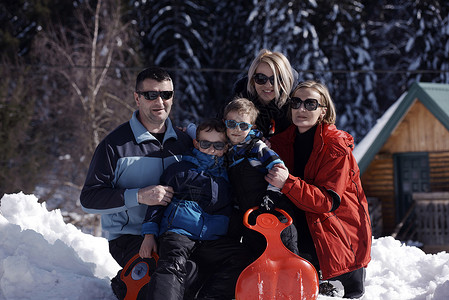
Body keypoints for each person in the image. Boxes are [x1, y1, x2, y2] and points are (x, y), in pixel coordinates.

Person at [79, 67, 192, 290]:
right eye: (151, 95)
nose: (160, 101)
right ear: (137, 98)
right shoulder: (114, 145)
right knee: (160, 285)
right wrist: (139, 196)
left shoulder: (185, 142)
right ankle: (125, 287)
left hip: (175, 234)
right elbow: (89, 199)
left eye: (166, 94)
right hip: (130, 237)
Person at [266, 80, 372, 298]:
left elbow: (325, 202)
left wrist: (287, 182)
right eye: (296, 103)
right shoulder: (281, 143)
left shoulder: (334, 147)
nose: (301, 109)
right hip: (303, 223)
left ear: (323, 111)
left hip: (338, 232)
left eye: (310, 104)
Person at [139, 118, 249, 300]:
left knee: (242, 257)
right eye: (205, 144)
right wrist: (149, 234)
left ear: (226, 147)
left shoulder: (229, 176)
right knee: (172, 264)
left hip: (212, 240)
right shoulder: (181, 170)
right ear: (196, 144)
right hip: (179, 233)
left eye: (218, 145)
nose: (211, 150)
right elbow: (158, 202)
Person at [223, 98, 299, 260]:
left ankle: (297, 279)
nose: (237, 129)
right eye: (231, 124)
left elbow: (278, 168)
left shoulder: (257, 147)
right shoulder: (229, 151)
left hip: (272, 211)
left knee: (282, 251)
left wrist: (271, 196)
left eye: (243, 125)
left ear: (252, 127)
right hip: (249, 215)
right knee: (257, 254)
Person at [228, 49, 297, 138]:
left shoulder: (296, 103)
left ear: (285, 81)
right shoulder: (238, 99)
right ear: (252, 80)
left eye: (276, 80)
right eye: (261, 78)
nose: (268, 85)